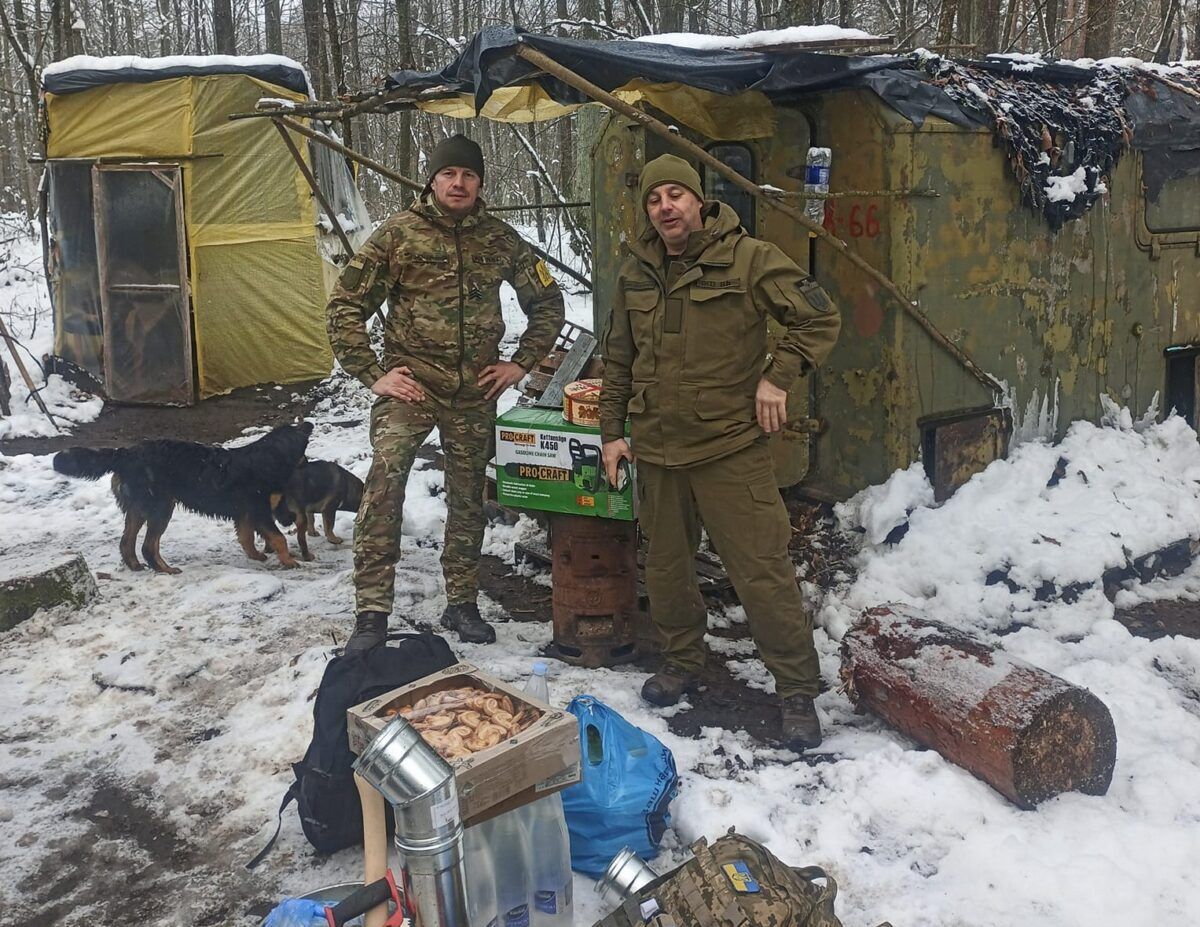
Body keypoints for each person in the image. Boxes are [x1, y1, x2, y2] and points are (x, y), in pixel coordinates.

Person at [598, 154, 841, 750]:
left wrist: (777, 378)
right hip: (657, 449)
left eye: (676, 195)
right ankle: (682, 660)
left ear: (700, 201)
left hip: (730, 449)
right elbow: (619, 360)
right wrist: (611, 432)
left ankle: (795, 688)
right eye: (655, 200)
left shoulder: (749, 258)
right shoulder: (636, 272)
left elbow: (818, 318)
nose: (666, 208)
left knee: (761, 570)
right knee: (667, 569)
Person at [327, 134, 564, 652]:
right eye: (448, 174)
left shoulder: (501, 240)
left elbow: (547, 302)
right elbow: (345, 306)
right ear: (431, 179)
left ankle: (462, 602)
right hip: (411, 389)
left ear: (480, 182)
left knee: (467, 498)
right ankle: (371, 613)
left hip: (474, 391)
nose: (458, 184)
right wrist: (372, 374)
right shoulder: (398, 235)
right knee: (385, 485)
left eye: (469, 175)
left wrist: (520, 364)